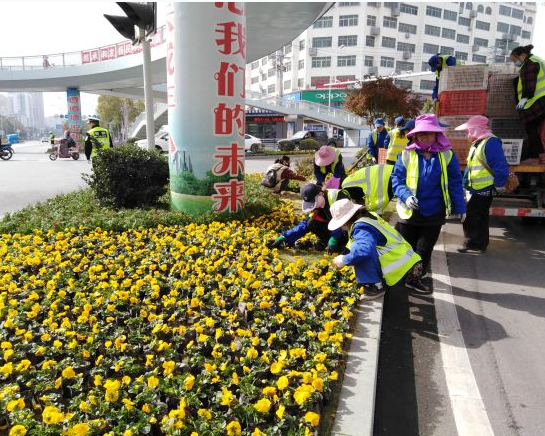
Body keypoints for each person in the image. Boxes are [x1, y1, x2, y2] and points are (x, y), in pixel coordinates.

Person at [391, 114, 466, 292]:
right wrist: (406, 196)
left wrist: (460, 207)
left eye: (429, 133)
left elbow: (455, 182)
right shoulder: (406, 154)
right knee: (406, 249)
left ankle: (414, 279)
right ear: (415, 135)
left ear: (436, 135)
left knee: (423, 250)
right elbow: (397, 180)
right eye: (421, 133)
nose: (425, 136)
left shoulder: (446, 155)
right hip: (409, 212)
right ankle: (403, 275)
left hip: (434, 212)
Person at [328, 198, 422, 300]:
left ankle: (376, 286)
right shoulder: (369, 217)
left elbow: (363, 251)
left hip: (401, 266)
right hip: (410, 261)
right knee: (361, 249)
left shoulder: (360, 227)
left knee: (360, 253)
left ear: (345, 221)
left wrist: (344, 260)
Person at [454, 116, 509, 253]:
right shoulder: (479, 143)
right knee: (481, 217)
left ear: (476, 129)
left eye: (469, 130)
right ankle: (481, 243)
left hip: (483, 188)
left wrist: (500, 184)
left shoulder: (490, 142)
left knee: (470, 217)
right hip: (477, 188)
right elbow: (471, 166)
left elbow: (500, 165)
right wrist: (465, 183)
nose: (468, 133)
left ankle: (471, 242)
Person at [266, 183, 348, 253]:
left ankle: (341, 244)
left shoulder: (337, 197)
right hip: (334, 226)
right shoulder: (318, 206)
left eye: (314, 202)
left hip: (348, 228)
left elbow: (346, 220)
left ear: (321, 193)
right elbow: (304, 224)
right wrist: (285, 237)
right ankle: (330, 245)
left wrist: (334, 238)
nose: (313, 206)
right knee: (311, 223)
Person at [510, 44, 545, 160]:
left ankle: (537, 153)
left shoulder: (529, 64)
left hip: (537, 100)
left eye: (515, 59)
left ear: (522, 55)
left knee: (530, 127)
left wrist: (525, 98)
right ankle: (537, 152)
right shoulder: (537, 60)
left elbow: (529, 82)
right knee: (536, 127)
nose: (515, 63)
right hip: (540, 99)